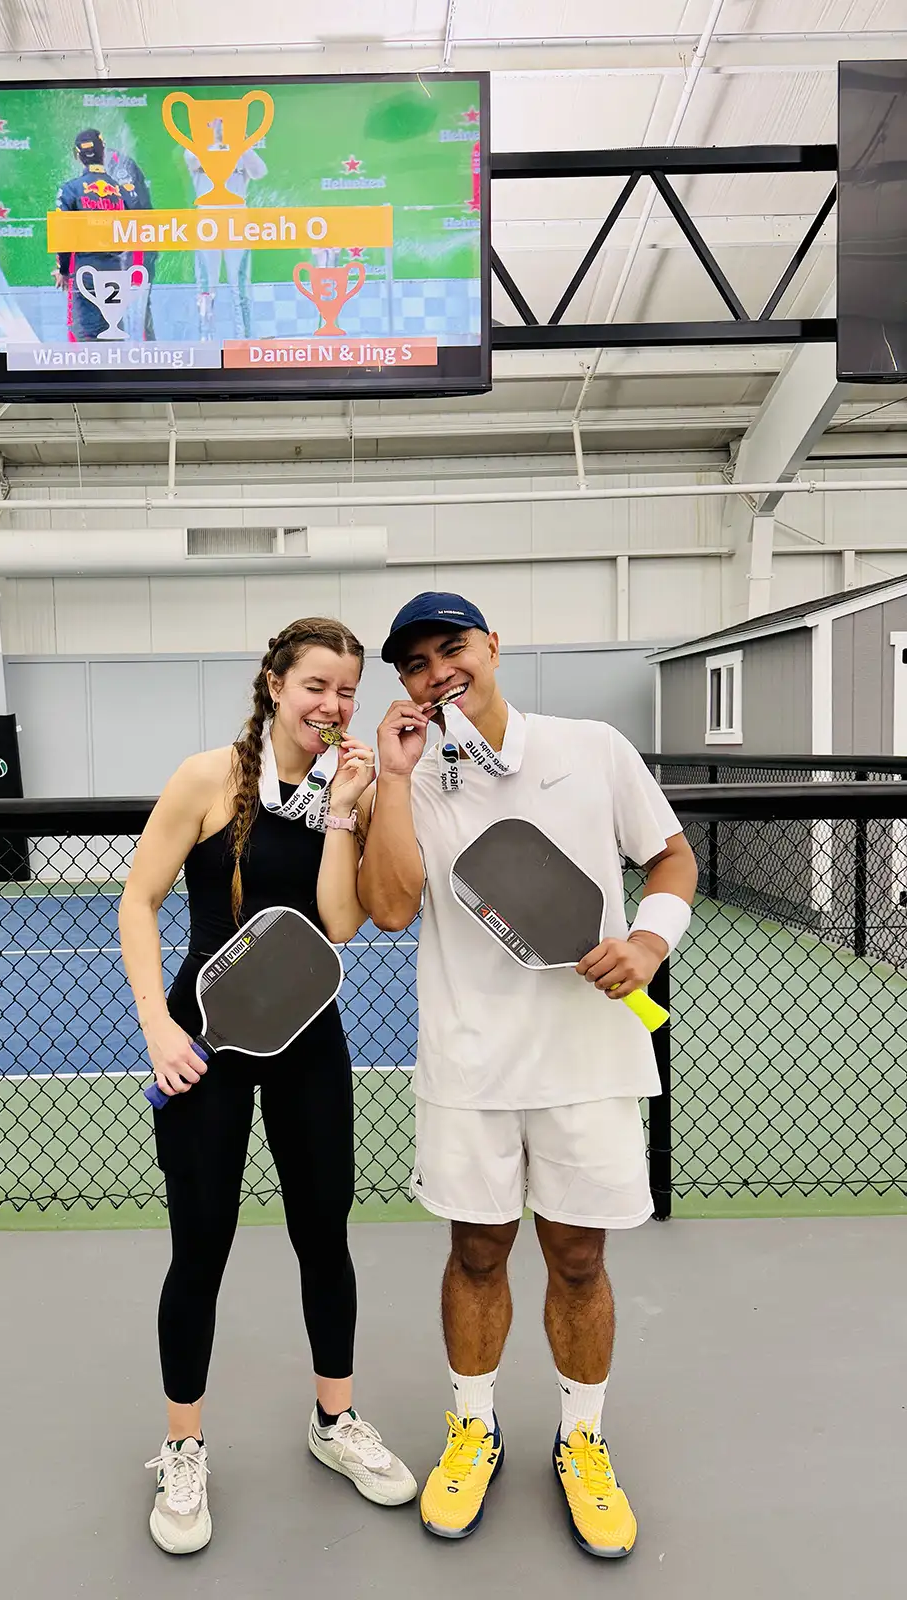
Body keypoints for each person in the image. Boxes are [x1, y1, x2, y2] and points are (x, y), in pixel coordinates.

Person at [358, 592, 698, 1558]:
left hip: (587, 1062)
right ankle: (475, 1427)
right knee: (475, 1253)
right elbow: (387, 907)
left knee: (580, 1259)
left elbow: (670, 858)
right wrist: (392, 777)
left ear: (493, 646)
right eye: (416, 664)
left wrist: (646, 939)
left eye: (451, 648)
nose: (438, 673)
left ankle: (582, 1441)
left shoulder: (591, 747)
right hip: (469, 1063)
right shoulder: (412, 776)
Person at [119, 617, 416, 1555]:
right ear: (275, 684)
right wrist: (157, 1025)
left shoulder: (349, 791)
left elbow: (339, 923)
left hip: (307, 1039)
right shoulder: (207, 778)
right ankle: (183, 1447)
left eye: (346, 692)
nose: (331, 706)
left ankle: (335, 1426)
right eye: (315, 685)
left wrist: (346, 808)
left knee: (323, 1236)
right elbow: (140, 900)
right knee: (199, 1248)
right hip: (202, 1043)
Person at [53, 128, 154, 341]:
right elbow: (136, 232)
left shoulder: (70, 189)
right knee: (113, 337)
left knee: (87, 340)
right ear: (103, 152)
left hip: (86, 273)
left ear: (78, 155)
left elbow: (62, 235)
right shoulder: (122, 190)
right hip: (118, 275)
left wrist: (63, 270)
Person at [184, 117, 268, 338]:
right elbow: (192, 161)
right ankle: (206, 337)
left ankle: (245, 338)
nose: (220, 126)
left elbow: (260, 172)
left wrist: (239, 142)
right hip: (207, 222)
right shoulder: (196, 147)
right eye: (215, 121)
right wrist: (214, 140)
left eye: (225, 121)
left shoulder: (241, 149)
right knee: (205, 285)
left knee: (239, 283)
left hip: (237, 222)